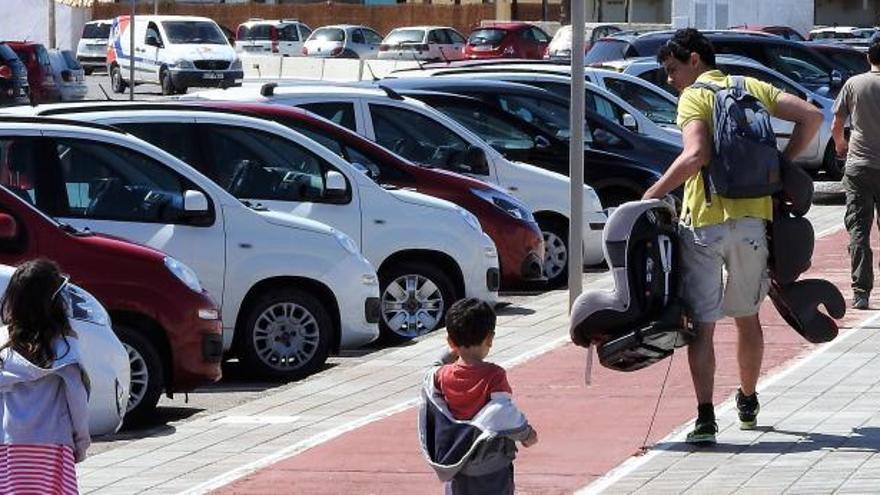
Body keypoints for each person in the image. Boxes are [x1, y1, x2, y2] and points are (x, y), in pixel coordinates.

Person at [644, 29, 822, 445]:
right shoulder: (750, 87)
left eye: (673, 69)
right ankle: (747, 400)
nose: (671, 80)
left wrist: (652, 194)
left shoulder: (694, 97)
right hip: (752, 223)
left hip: (704, 222)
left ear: (693, 60)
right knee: (747, 317)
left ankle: (706, 417)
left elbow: (696, 155)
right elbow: (812, 117)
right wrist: (779, 166)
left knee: (702, 326)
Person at [418, 298, 537, 494]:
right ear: (490, 339)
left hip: (456, 464)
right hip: (492, 469)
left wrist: (453, 350)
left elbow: (433, 368)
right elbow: (502, 413)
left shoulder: (441, 376)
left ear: (450, 342)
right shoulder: (494, 375)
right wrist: (527, 434)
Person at [0, 259, 91, 493]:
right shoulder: (65, 347)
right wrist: (81, 441)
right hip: (53, 442)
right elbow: (77, 399)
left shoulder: (4, 346)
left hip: (9, 444)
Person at [832, 41, 880, 311]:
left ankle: (861, 291)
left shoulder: (854, 83)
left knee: (859, 229)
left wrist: (841, 145)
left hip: (859, 164)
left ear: (867, 57)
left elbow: (837, 123)